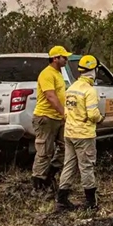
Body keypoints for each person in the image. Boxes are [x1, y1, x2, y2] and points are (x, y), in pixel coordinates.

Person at [56, 55, 104, 211]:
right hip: (84, 135)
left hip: (69, 133)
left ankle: (61, 200)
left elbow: (66, 112)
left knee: (69, 165)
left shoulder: (71, 88)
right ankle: (91, 202)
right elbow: (93, 115)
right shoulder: (89, 91)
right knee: (86, 167)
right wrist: (100, 118)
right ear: (93, 70)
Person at [31, 45, 70, 191]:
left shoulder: (58, 73)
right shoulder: (47, 74)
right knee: (44, 152)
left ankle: (50, 175)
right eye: (63, 57)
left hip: (58, 118)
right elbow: (50, 96)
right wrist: (64, 113)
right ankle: (38, 184)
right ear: (55, 58)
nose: (66, 60)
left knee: (65, 148)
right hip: (46, 118)